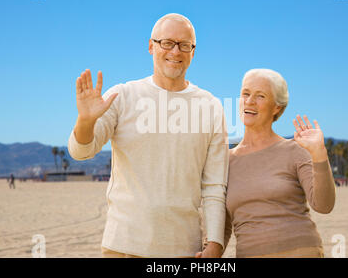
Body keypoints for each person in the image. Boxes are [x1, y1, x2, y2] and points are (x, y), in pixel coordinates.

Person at [68, 13, 228, 258]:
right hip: (123, 245)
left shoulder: (210, 106)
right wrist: (86, 120)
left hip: (185, 247)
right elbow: (81, 151)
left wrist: (215, 243)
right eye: (167, 43)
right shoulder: (122, 96)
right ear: (151, 46)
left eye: (185, 45)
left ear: (193, 52)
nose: (176, 52)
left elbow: (214, 184)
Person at [222, 69, 336, 258]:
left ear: (277, 107)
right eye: (246, 93)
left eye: (261, 96)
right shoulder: (225, 160)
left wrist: (319, 154)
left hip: (300, 251)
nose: (250, 101)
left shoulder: (295, 150)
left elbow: (324, 205)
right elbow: (222, 224)